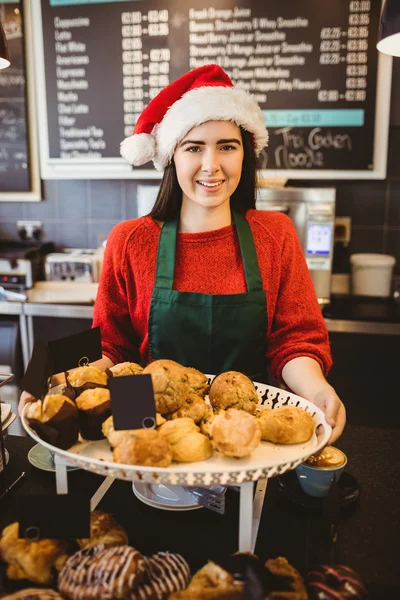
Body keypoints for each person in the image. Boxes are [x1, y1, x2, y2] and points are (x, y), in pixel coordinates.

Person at [20, 64, 345, 443]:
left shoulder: (274, 235)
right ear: (172, 156)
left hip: (245, 426)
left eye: (227, 146)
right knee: (137, 495)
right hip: (141, 419)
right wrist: (53, 376)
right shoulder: (130, 240)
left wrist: (317, 390)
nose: (212, 165)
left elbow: (294, 341)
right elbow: (114, 346)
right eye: (194, 148)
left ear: (246, 154)